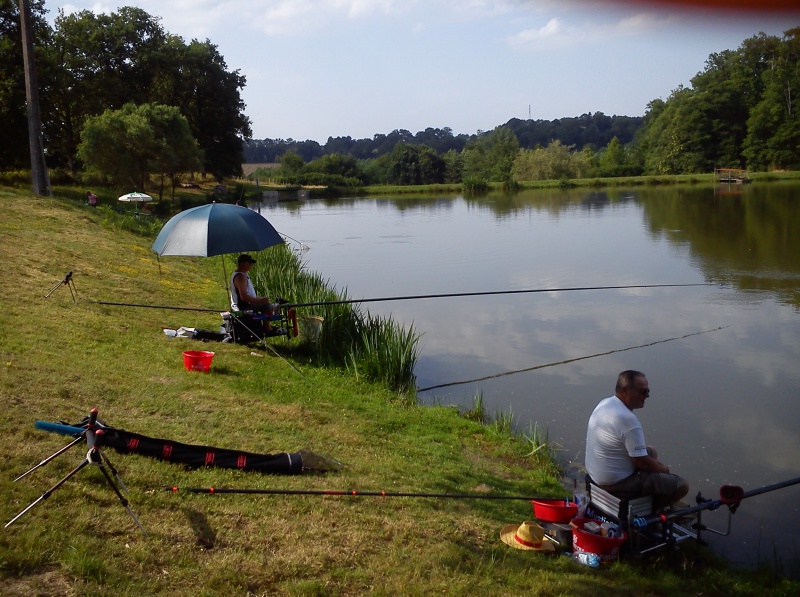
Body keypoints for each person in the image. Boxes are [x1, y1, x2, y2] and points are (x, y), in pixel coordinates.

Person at [585, 370, 689, 511]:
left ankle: (648, 496)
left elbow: (643, 457)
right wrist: (664, 470)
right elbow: (640, 462)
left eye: (647, 391)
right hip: (615, 483)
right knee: (681, 485)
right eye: (643, 391)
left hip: (597, 474)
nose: (647, 396)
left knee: (651, 451)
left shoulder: (606, 403)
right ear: (625, 390)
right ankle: (650, 514)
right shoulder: (627, 420)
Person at [230, 254, 285, 336]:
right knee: (266, 306)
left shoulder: (242, 274)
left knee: (267, 304)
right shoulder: (240, 277)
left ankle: (266, 326)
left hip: (246, 304)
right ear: (245, 264)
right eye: (250, 263)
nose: (251, 265)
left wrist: (258, 299)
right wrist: (260, 300)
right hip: (243, 307)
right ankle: (268, 329)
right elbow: (243, 297)